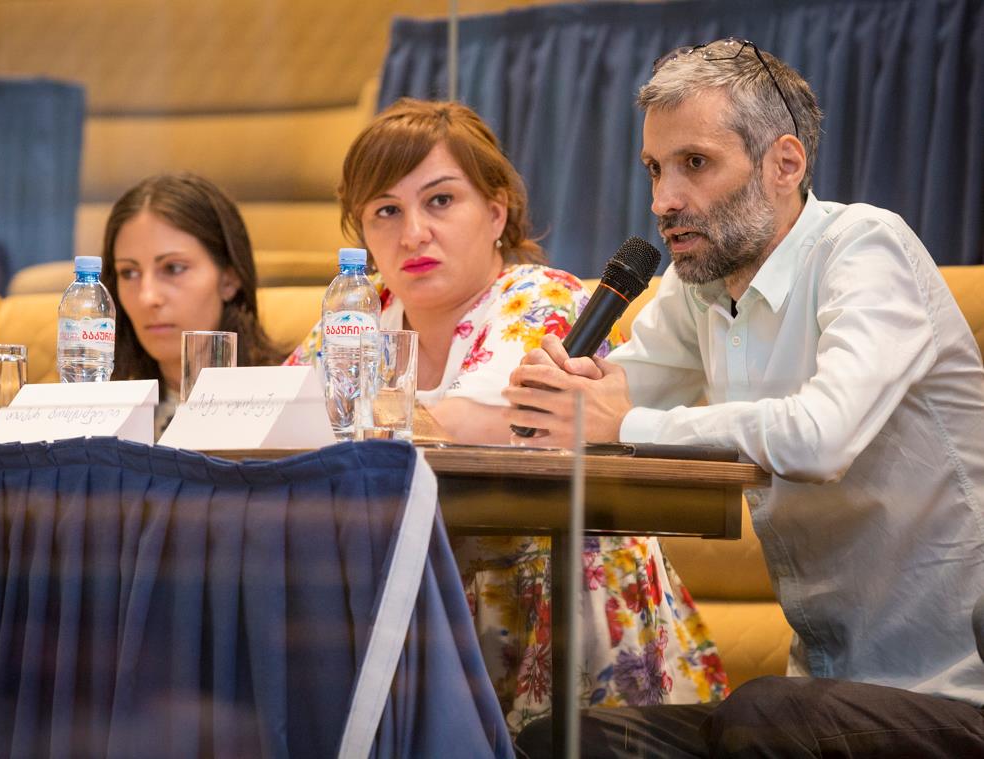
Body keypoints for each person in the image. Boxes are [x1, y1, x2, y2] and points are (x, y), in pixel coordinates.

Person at [507, 38, 984, 755]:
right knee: (563, 739)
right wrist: (558, 395)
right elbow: (615, 389)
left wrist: (622, 420)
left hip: (955, 694)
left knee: (760, 717)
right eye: (654, 169)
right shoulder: (699, 287)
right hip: (822, 691)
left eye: (694, 164)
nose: (663, 201)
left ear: (783, 164)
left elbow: (821, 437)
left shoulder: (865, 247)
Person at [286, 98, 728, 732]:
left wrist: (346, 420)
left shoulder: (541, 296)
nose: (413, 234)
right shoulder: (358, 313)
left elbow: (492, 421)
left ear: (496, 213)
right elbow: (276, 419)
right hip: (425, 600)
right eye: (386, 211)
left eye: (440, 200)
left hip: (559, 596)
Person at [99, 173, 283, 436]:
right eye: (129, 273)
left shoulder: (289, 401)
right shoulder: (96, 409)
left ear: (229, 278)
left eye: (173, 268)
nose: (147, 297)